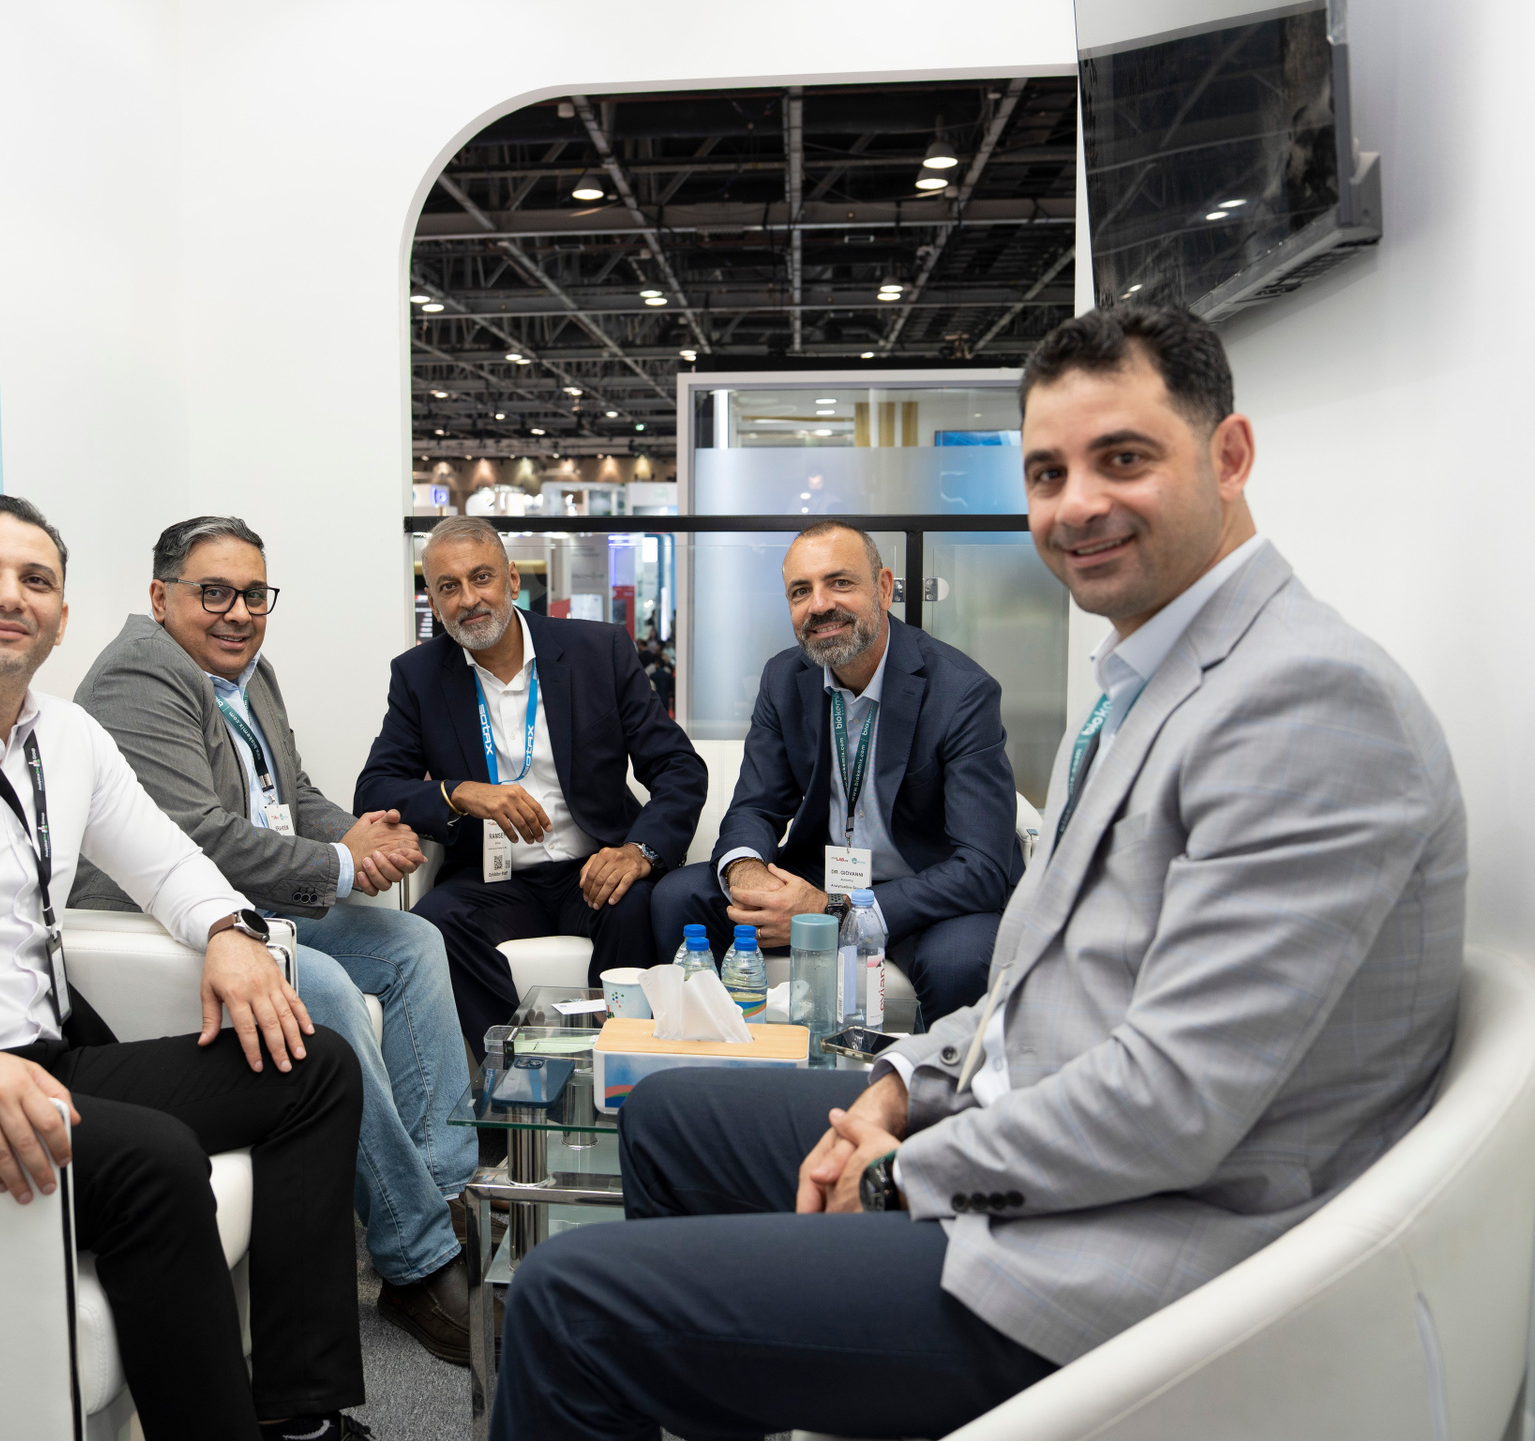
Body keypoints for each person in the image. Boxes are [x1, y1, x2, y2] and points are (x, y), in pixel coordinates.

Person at [488, 305, 1467, 1441]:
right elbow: (1039, 985)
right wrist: (900, 1079)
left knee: (565, 1302)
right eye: (1047, 473)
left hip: (1119, 1255)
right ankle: (743, 1363)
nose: (1076, 505)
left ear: (1230, 455)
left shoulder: (1303, 701)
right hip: (1030, 1123)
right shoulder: (1159, 681)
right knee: (667, 1116)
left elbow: (1174, 1101)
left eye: (1124, 458)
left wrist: (908, 1167)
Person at [0, 493, 370, 1441]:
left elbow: (170, 864)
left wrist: (231, 929)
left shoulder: (67, 737)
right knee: (155, 1158)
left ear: (60, 619)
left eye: (36, 580)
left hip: (46, 1058)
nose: (8, 595)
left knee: (314, 1066)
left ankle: (297, 1415)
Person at [68, 515, 478, 1365]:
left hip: (250, 901)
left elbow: (290, 797)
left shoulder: (249, 674)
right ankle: (415, 1260)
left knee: (412, 944)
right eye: (214, 592)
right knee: (320, 986)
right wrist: (341, 862)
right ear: (161, 597)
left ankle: (444, 1195)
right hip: (155, 919)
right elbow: (199, 835)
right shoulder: (140, 673)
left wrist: (364, 835)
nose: (238, 612)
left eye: (254, 594)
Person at [354, 516, 708, 1054]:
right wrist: (458, 793)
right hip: (493, 881)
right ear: (433, 600)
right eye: (449, 587)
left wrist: (639, 850)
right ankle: (522, 1066)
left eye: (481, 578)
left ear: (513, 580)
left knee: (634, 904)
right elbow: (375, 788)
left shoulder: (598, 650)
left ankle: (616, 1068)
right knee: (434, 922)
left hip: (593, 867)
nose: (469, 599)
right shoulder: (418, 675)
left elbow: (679, 767)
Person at [650, 520, 1023, 1026]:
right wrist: (748, 872)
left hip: (922, 892)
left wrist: (834, 910)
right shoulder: (784, 677)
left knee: (960, 961)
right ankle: (714, 1057)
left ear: (884, 588)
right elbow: (755, 807)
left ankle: (923, 1079)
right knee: (679, 897)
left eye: (840, 582)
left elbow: (982, 867)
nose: (819, 605)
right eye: (800, 591)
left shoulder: (960, 692)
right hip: (817, 877)